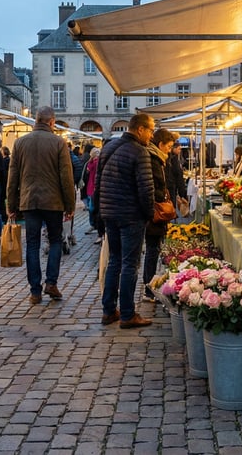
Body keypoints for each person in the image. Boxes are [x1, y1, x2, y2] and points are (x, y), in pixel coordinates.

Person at [7, 106, 76, 305]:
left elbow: (13, 177)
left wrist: (11, 204)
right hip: (53, 202)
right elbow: (66, 176)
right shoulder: (58, 142)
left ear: (35, 120)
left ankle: (35, 290)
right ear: (52, 122)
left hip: (29, 201)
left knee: (32, 244)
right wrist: (70, 205)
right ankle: (51, 282)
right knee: (55, 240)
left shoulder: (20, 143)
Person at [97, 113, 155, 329]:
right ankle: (128, 314)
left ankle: (109, 310)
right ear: (139, 129)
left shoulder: (109, 147)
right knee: (130, 264)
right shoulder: (140, 152)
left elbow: (99, 182)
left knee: (115, 260)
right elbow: (146, 189)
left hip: (110, 213)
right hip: (131, 215)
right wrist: (149, 214)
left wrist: (99, 215)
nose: (151, 134)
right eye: (150, 130)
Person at [141, 128, 178, 302]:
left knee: (153, 248)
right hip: (154, 212)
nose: (170, 150)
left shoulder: (156, 158)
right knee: (152, 249)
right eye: (169, 146)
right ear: (161, 144)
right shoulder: (154, 159)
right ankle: (149, 288)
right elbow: (153, 186)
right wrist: (162, 197)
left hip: (152, 211)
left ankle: (149, 285)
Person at [166, 141, 190, 222]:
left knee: (171, 205)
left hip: (171, 184)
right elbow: (177, 173)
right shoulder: (172, 159)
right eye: (179, 149)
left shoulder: (172, 158)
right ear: (173, 148)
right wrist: (182, 193)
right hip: (171, 185)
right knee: (171, 205)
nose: (180, 151)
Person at [83, 147, 102, 243]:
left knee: (92, 208)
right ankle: (94, 225)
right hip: (92, 187)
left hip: (94, 188)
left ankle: (94, 225)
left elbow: (88, 170)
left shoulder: (97, 162)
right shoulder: (92, 163)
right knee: (92, 208)